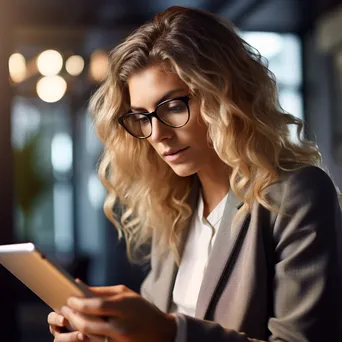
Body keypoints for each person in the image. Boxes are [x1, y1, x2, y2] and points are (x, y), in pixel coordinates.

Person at [47, 5, 342, 342]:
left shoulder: (297, 193)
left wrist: (171, 331)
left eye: (173, 106)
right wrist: (101, 335)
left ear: (223, 95)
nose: (156, 134)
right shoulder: (174, 207)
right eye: (141, 116)